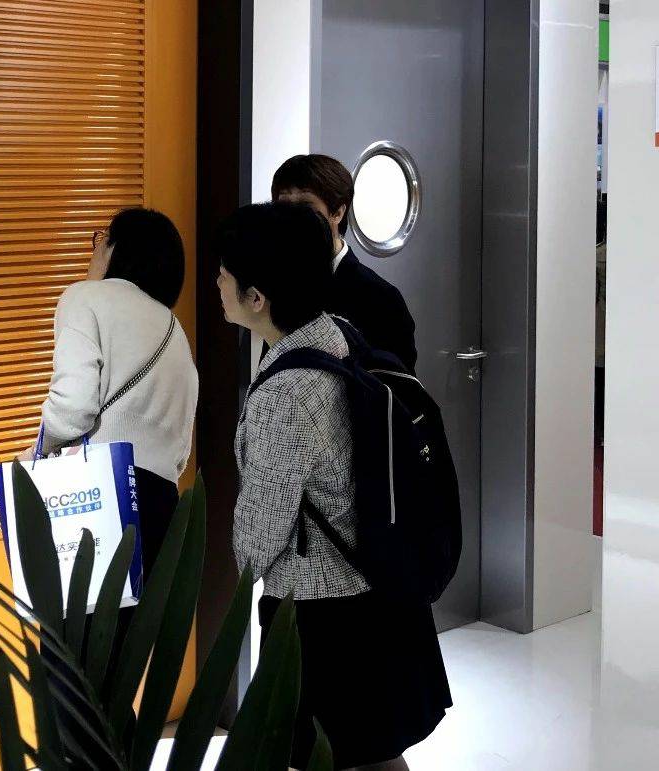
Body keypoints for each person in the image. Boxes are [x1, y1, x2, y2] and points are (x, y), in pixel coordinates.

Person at [217, 201, 450, 771]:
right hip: (376, 590)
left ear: (257, 298)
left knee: (334, 756)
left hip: (320, 618)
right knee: (375, 754)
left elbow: (256, 541)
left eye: (224, 274)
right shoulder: (339, 337)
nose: (216, 283)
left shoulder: (287, 393)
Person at [21, 206, 198, 581]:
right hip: (161, 505)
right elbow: (180, 448)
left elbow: (72, 410)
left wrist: (37, 449)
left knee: (75, 618)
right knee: (142, 620)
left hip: (96, 493)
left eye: (101, 239)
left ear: (118, 250)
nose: (95, 249)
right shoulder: (175, 330)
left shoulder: (84, 298)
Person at [272, 154, 419, 372]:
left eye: (305, 205)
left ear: (338, 212)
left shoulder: (380, 297)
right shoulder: (276, 285)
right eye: (284, 205)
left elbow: (396, 387)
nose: (291, 217)